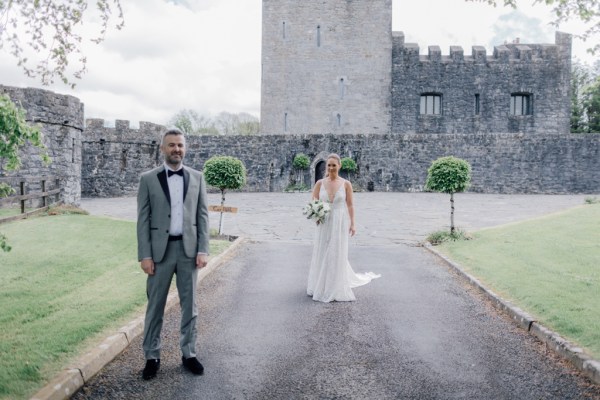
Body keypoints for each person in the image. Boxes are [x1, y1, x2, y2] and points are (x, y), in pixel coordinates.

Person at [137, 128, 209, 380]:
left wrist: (203, 249)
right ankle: (151, 356)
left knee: (190, 306)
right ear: (162, 148)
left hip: (189, 252)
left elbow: (202, 216)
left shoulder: (197, 177)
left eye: (180, 145)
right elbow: (142, 220)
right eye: (171, 145)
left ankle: (189, 353)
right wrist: (144, 255)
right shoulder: (148, 179)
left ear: (184, 148)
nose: (176, 149)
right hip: (159, 254)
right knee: (155, 306)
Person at [307, 153, 380, 302]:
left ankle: (334, 284)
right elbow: (313, 199)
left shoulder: (346, 184)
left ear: (339, 166)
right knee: (323, 249)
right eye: (329, 165)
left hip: (340, 221)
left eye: (334, 165)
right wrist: (316, 213)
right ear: (326, 166)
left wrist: (353, 223)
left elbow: (350, 204)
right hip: (325, 220)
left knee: (336, 250)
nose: (331, 168)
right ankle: (320, 283)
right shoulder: (320, 183)